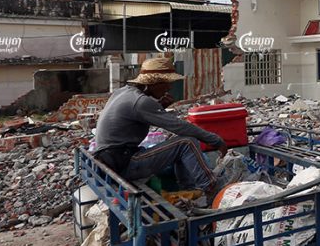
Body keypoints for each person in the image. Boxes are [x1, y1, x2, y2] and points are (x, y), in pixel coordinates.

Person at [94, 57, 226, 193]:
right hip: (123, 163)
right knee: (187, 143)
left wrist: (160, 107)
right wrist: (215, 140)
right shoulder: (141, 102)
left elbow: (137, 118)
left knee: (178, 144)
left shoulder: (123, 92)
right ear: (153, 83)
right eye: (166, 83)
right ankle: (211, 186)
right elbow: (179, 126)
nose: (169, 88)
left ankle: (188, 189)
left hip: (111, 160)